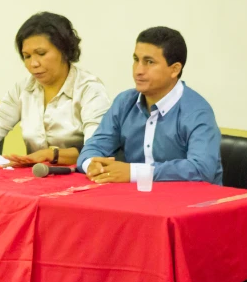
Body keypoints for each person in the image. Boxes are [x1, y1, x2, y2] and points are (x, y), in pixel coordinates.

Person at [77, 26, 222, 184]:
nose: (138, 70)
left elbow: (201, 169)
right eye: (136, 60)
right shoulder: (124, 102)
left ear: (174, 69)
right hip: (136, 200)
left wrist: (134, 172)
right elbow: (94, 146)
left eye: (149, 62)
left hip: (191, 203)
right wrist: (92, 164)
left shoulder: (196, 111)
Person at [0, 12, 111, 168]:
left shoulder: (89, 89)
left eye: (41, 54)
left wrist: (51, 155)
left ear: (64, 50)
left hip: (80, 177)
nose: (33, 64)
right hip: (36, 177)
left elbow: (97, 149)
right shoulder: (23, 88)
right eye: (26, 56)